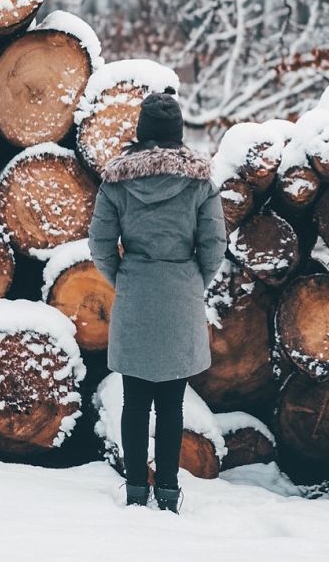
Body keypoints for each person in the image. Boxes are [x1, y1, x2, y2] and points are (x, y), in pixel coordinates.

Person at [87, 89, 227, 514]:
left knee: (135, 400)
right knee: (171, 403)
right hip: (181, 292)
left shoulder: (117, 181)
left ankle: (134, 489)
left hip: (136, 292)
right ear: (178, 133)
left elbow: (100, 243)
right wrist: (191, 279)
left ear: (141, 132)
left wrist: (124, 277)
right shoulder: (200, 181)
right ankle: (167, 491)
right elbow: (215, 243)